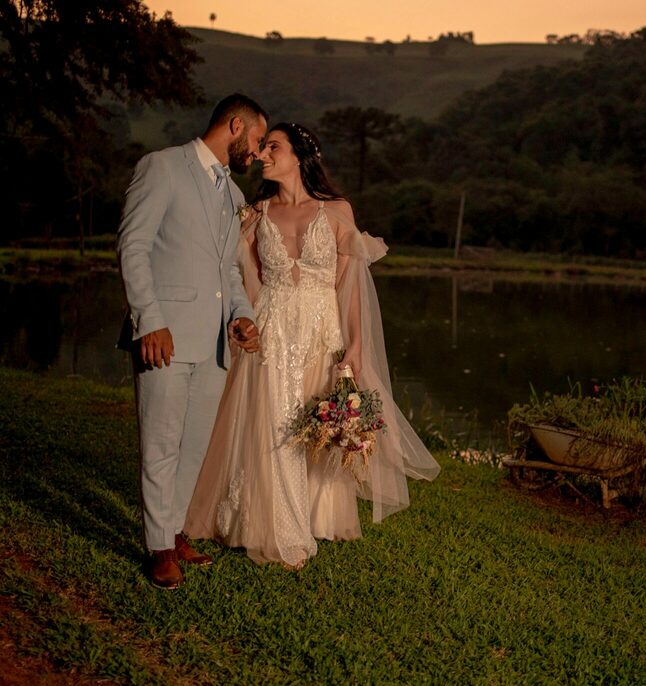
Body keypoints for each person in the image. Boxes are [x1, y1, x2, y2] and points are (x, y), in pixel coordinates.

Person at [183, 123, 440, 568]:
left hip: (322, 334)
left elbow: (351, 287)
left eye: (273, 147)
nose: (263, 154)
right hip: (272, 331)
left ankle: (316, 513)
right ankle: (269, 523)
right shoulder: (255, 214)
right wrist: (239, 322)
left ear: (299, 156)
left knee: (311, 422)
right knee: (271, 422)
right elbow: (240, 279)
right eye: (262, 147)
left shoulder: (337, 211)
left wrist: (355, 346)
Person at [117, 94, 269, 589]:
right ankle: (158, 547)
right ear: (235, 125)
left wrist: (243, 316)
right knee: (160, 442)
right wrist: (149, 319)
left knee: (193, 445)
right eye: (258, 140)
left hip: (215, 343)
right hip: (162, 335)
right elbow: (133, 246)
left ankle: (176, 529)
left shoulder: (233, 196)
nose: (259, 152)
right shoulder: (161, 167)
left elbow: (228, 268)